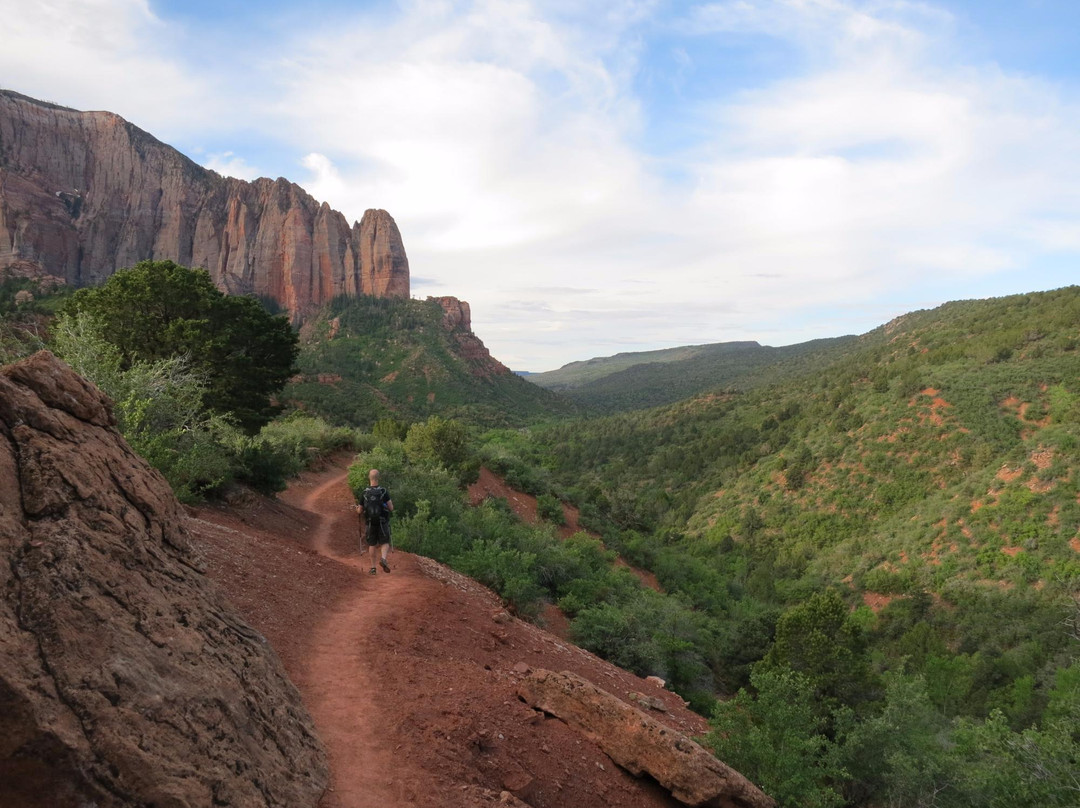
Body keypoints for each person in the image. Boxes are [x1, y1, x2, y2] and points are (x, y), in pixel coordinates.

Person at [357, 468, 394, 575]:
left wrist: (356, 509)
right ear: (378, 478)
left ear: (369, 478)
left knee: (372, 544)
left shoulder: (364, 493)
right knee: (385, 542)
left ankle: (373, 568)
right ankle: (383, 558)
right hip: (382, 522)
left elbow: (360, 510)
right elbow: (391, 508)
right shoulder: (383, 491)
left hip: (370, 522)